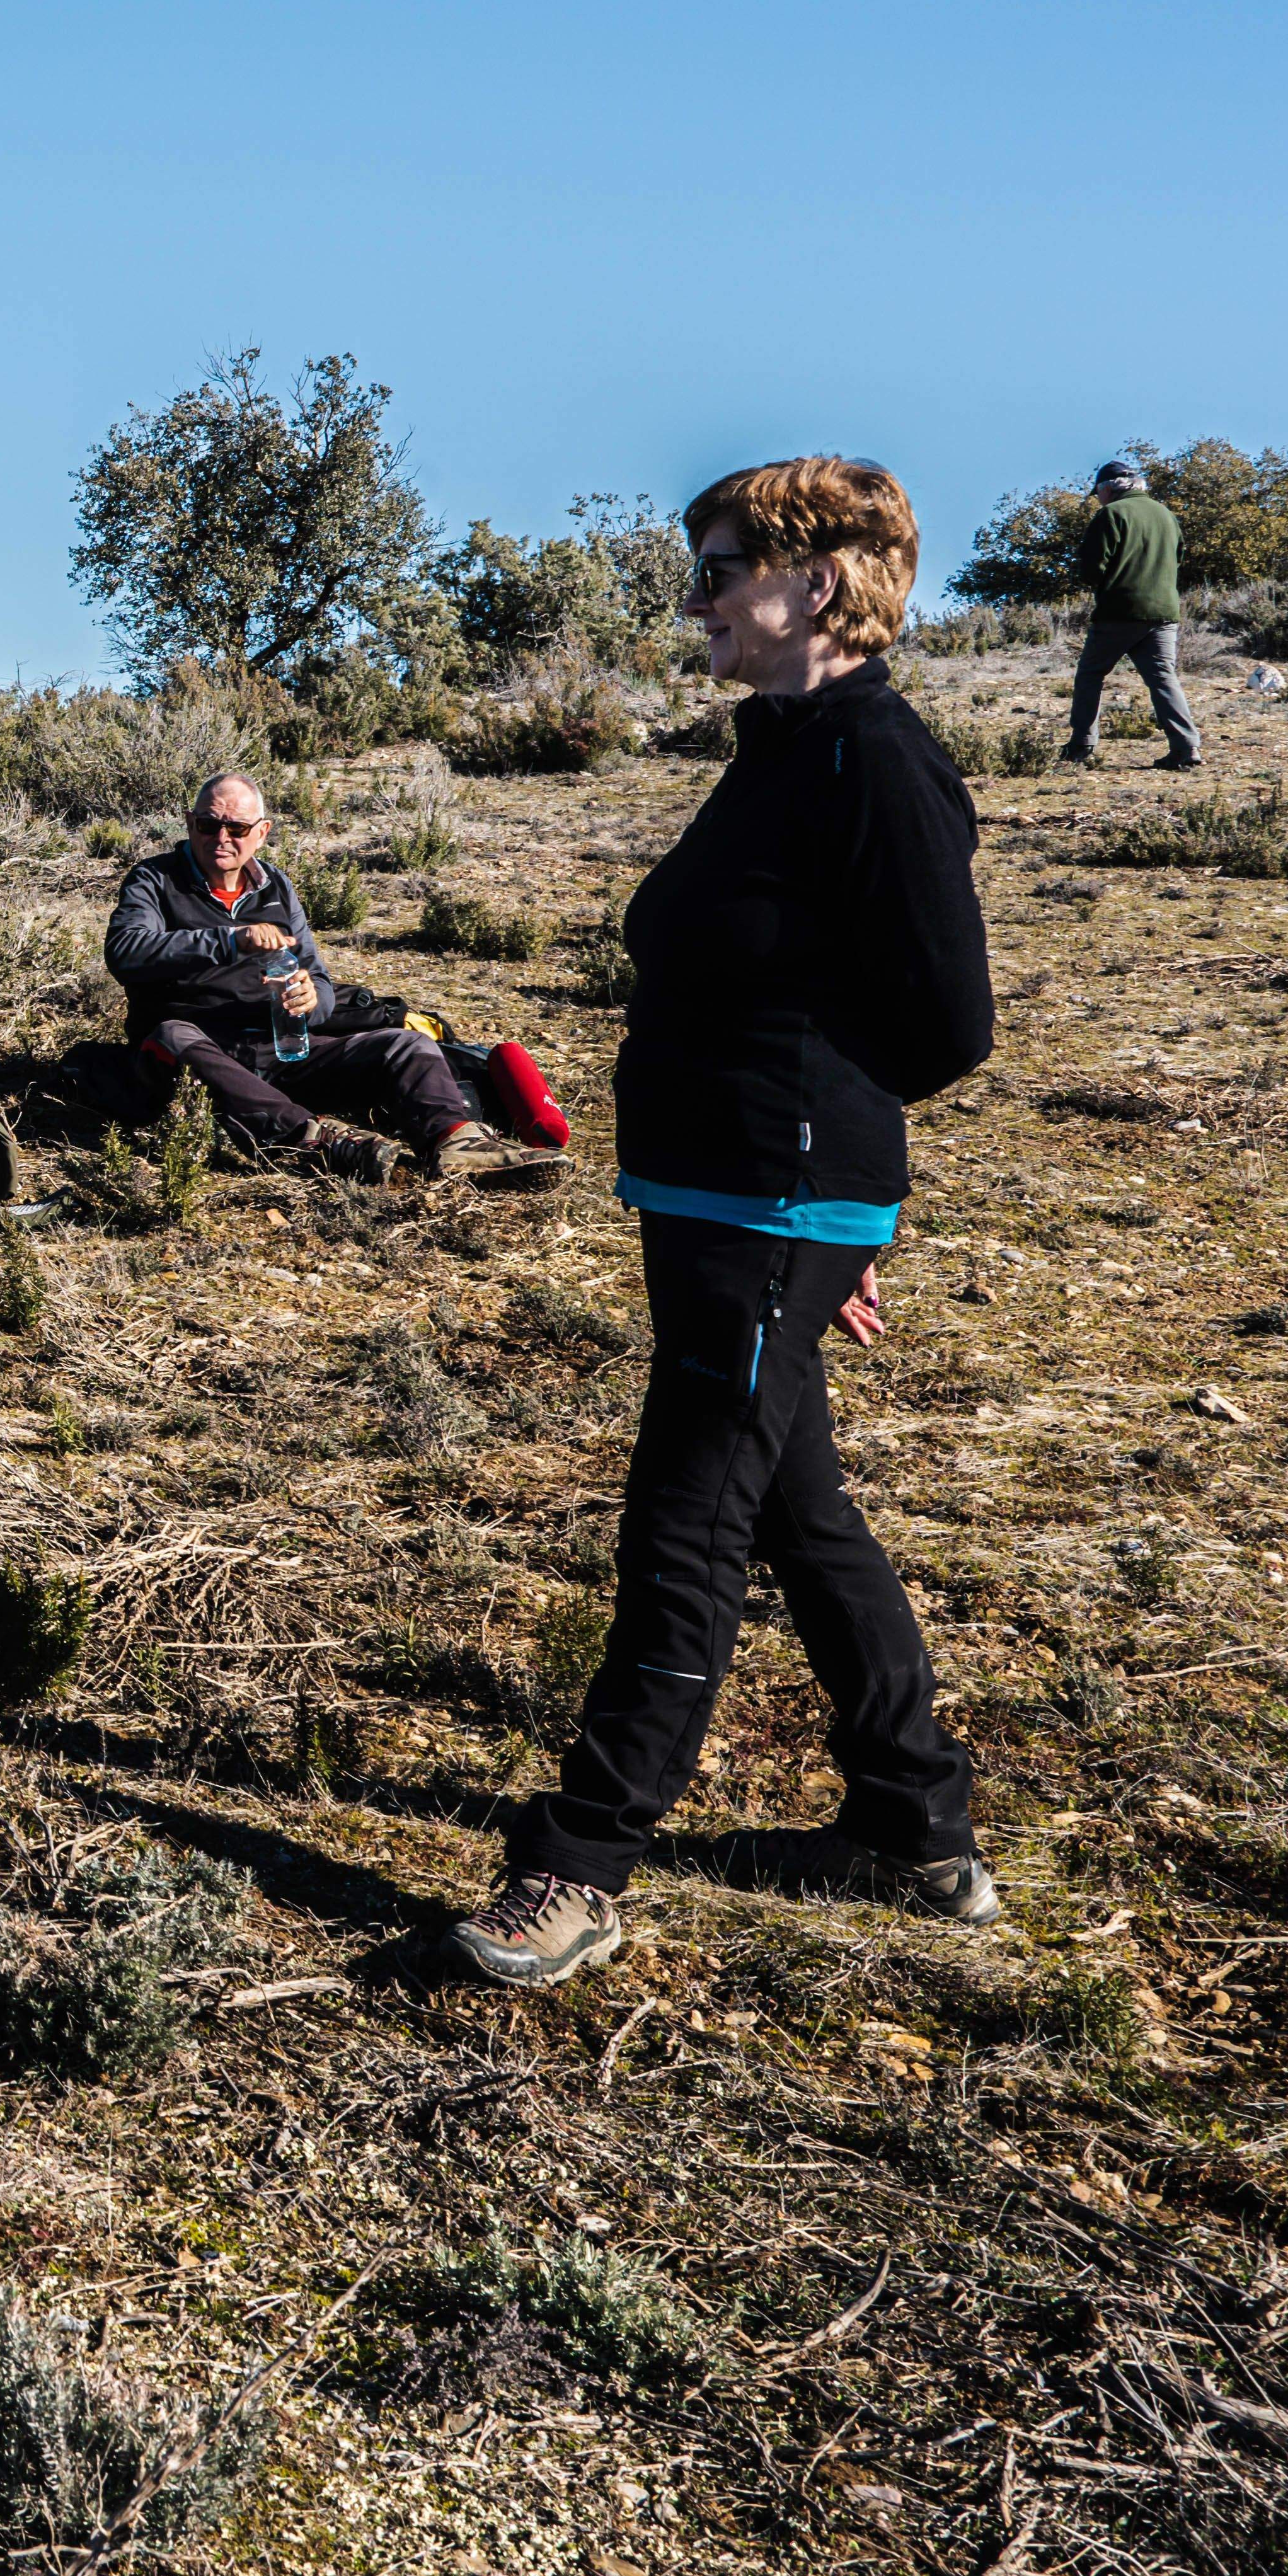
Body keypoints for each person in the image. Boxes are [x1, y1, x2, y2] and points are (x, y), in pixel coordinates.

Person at [456, 457, 998, 1989]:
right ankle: (916, 1824)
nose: (692, 597)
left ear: (818, 581)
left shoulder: (878, 761)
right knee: (796, 1509)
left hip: (769, 1200)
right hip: (729, 1203)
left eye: (714, 569)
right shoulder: (783, 748)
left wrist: (832, 1196)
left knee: (686, 1515)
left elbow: (950, 1022)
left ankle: (581, 1863)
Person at [103, 775, 526, 1185]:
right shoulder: (154, 879)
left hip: (279, 1047)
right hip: (200, 1050)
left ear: (262, 832)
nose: (221, 838)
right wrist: (231, 941)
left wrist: (312, 1001)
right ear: (189, 822)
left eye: (237, 828)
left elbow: (318, 979)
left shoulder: (277, 888)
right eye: (208, 825)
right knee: (171, 1036)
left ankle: (459, 1143)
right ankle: (314, 1140)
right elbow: (127, 952)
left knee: (407, 1043)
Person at [1059, 457, 1201, 768]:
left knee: (1090, 675)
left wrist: (1102, 583)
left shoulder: (1111, 514)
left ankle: (1081, 745)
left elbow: (1091, 568)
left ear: (1108, 489)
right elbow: (1178, 559)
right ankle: (1187, 748)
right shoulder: (1166, 515)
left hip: (1120, 611)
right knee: (1164, 678)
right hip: (1165, 612)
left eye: (1097, 491)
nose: (1097, 498)